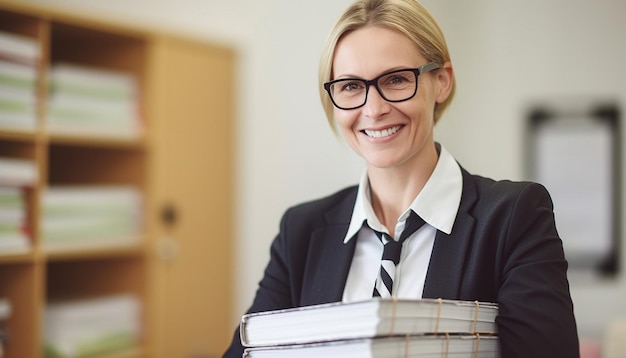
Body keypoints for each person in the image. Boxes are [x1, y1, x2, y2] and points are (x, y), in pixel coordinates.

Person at [223, 0, 579, 356]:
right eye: (350, 86)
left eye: (395, 79)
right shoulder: (301, 232)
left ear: (441, 82)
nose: (374, 109)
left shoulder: (514, 217)